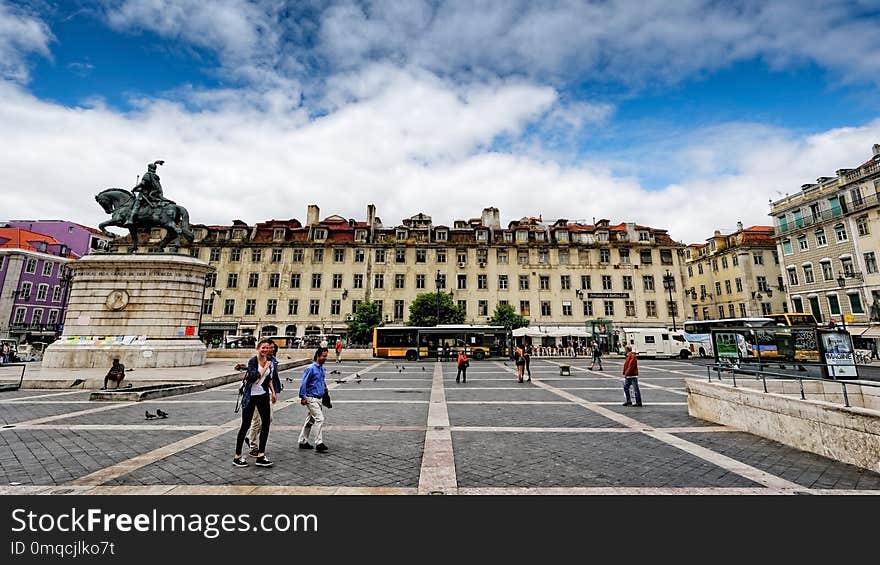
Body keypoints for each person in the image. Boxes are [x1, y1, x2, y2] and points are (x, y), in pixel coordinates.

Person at [232, 338, 277, 468]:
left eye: (268, 348)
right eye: (263, 347)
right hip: (250, 396)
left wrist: (273, 392)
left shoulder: (270, 361)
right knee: (245, 425)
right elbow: (255, 379)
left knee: (266, 423)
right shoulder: (252, 361)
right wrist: (264, 368)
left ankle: (261, 455)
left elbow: (269, 378)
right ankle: (237, 456)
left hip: (262, 395)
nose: (266, 350)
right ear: (258, 348)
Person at [298, 347, 329, 453]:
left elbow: (322, 383)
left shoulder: (321, 369)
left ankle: (302, 441)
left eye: (326, 356)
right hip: (311, 398)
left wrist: (326, 396)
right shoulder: (311, 368)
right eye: (323, 356)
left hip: (319, 398)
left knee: (310, 421)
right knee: (320, 419)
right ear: (318, 355)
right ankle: (319, 442)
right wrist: (303, 397)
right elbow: (304, 383)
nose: (325, 358)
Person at [125, 160, 170, 227]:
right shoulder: (155, 177)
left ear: (149, 168)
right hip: (154, 194)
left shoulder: (147, 175)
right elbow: (149, 186)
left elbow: (142, 184)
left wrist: (135, 188)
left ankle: (130, 219)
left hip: (145, 195)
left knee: (136, 204)